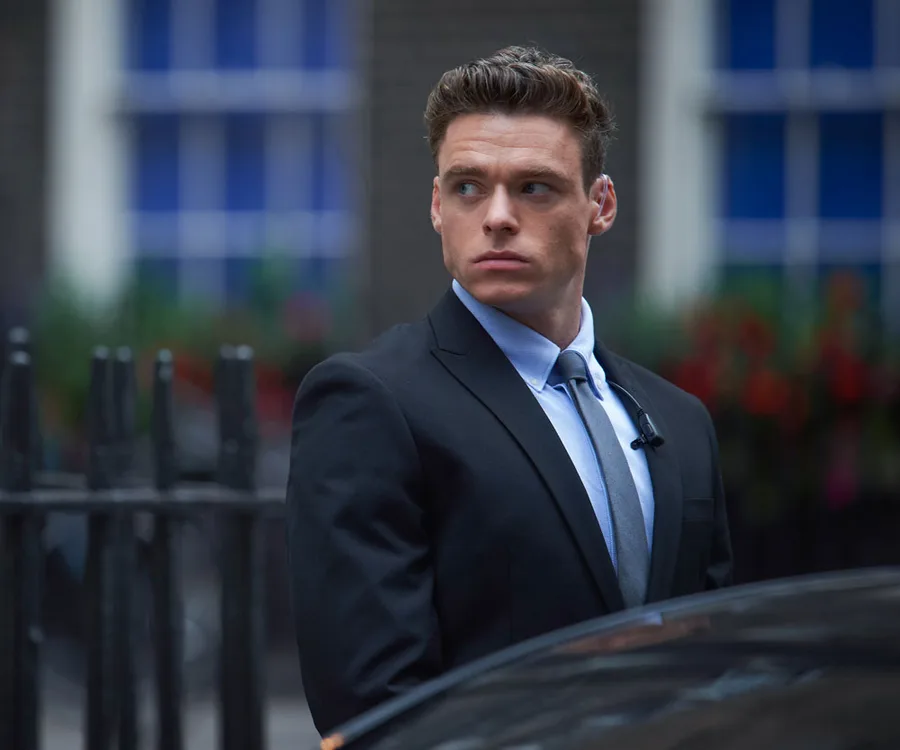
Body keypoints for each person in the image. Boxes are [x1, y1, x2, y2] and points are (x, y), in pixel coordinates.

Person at [286, 45, 733, 736]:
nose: (497, 215)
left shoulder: (680, 417)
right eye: (468, 187)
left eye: (534, 187)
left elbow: (716, 663)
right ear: (438, 205)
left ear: (600, 204)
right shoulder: (369, 400)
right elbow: (374, 706)